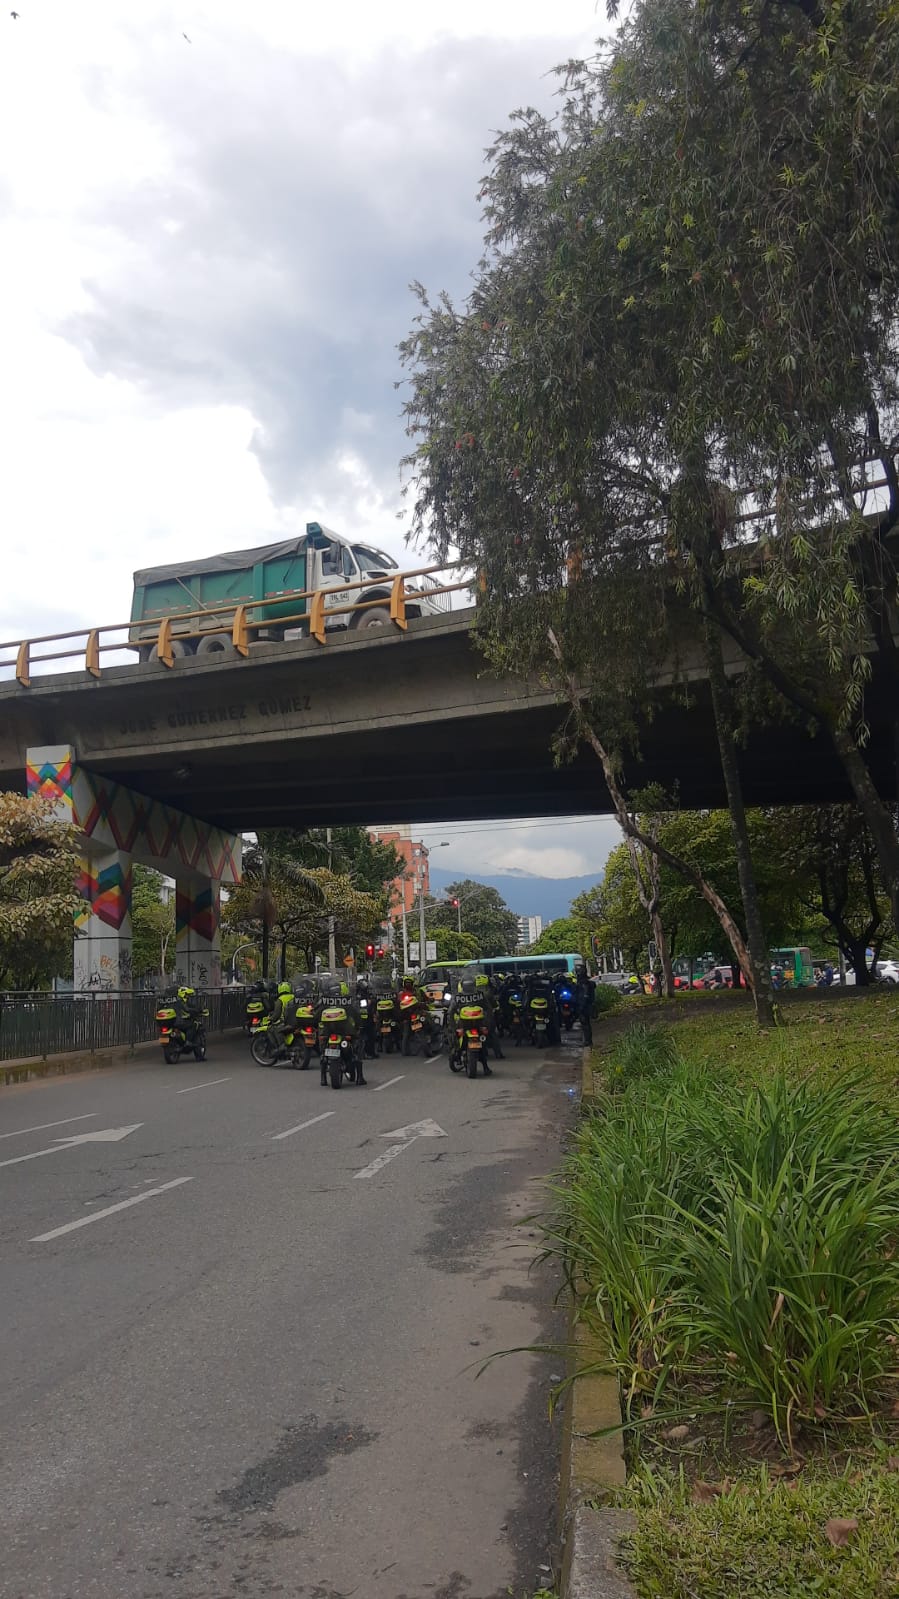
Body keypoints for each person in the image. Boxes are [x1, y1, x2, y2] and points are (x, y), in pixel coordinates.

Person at [572, 964, 594, 1046]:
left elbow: (585, 995)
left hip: (584, 1007)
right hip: (584, 1005)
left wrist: (581, 1006)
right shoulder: (582, 982)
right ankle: (588, 1040)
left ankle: (588, 1041)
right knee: (585, 1024)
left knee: (585, 1024)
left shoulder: (584, 983)